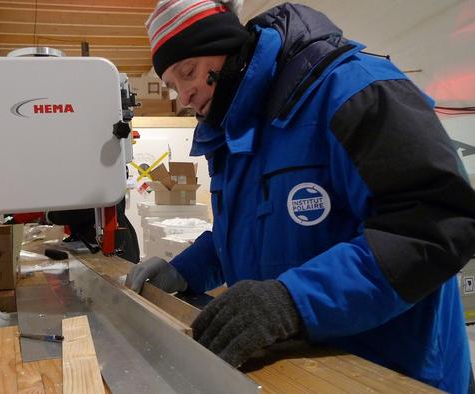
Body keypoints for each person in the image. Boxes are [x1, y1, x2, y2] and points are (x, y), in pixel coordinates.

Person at [125, 1, 475, 392]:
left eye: (187, 73)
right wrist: (185, 269)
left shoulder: (353, 90)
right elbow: (244, 232)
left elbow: (434, 225)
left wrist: (293, 301)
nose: (183, 96)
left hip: (394, 373)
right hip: (305, 372)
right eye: (172, 85)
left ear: (225, 44)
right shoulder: (234, 133)